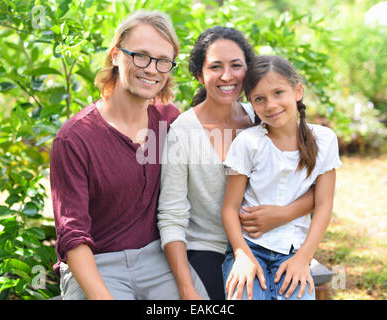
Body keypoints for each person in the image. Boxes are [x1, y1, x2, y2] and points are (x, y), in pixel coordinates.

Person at [49, 10, 207, 300]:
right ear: (115, 55)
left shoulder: (169, 120)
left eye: (163, 61)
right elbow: (72, 238)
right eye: (140, 55)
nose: (151, 69)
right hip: (96, 265)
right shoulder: (74, 139)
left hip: (158, 260)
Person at [157, 27, 316, 300]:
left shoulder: (266, 113)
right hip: (208, 247)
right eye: (215, 66)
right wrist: (186, 288)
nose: (227, 75)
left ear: (249, 71)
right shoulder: (182, 132)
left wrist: (284, 214)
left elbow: (317, 187)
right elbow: (171, 218)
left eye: (236, 65)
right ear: (199, 74)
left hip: (268, 243)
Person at [221, 55, 342, 300]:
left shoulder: (324, 140)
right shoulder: (248, 143)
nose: (271, 105)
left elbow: (324, 203)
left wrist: (304, 258)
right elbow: (229, 209)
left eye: (278, 93)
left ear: (297, 91)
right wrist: (242, 255)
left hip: (295, 251)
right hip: (250, 248)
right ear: (251, 104)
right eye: (259, 99)